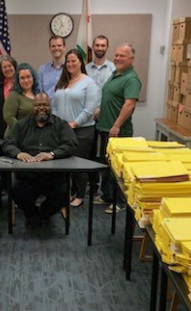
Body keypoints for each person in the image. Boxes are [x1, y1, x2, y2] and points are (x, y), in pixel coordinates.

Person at [3, 93, 78, 227]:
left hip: (54, 176)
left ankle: (43, 214)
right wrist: (18, 154)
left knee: (63, 192)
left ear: (50, 106)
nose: (41, 108)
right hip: (27, 176)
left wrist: (52, 154)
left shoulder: (61, 124)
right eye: (38, 105)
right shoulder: (21, 125)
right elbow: (8, 143)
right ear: (33, 107)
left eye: (45, 105)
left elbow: (71, 143)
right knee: (16, 189)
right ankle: (32, 214)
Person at [96, 44, 142, 213]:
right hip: (105, 128)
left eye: (122, 55)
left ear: (131, 59)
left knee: (118, 169)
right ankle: (107, 197)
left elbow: (129, 104)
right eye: (116, 55)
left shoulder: (131, 79)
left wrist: (116, 125)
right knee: (108, 166)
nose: (118, 58)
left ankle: (120, 201)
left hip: (118, 132)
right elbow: (112, 99)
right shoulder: (116, 74)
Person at [52, 49, 99, 207]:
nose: (71, 64)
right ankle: (70, 192)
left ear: (80, 62)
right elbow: (55, 105)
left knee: (78, 164)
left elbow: (89, 109)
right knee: (65, 164)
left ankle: (79, 195)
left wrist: (74, 124)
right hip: (62, 130)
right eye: (68, 61)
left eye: (74, 61)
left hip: (82, 131)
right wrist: (57, 123)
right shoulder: (63, 81)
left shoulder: (88, 83)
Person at [87, 35, 117, 205]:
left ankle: (106, 193)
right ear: (93, 47)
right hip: (89, 119)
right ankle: (92, 188)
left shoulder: (114, 69)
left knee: (106, 156)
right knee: (90, 155)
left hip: (107, 119)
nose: (99, 48)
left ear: (107, 47)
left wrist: (101, 110)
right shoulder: (85, 68)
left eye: (103, 45)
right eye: (97, 45)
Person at [3, 63, 40, 136]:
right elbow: (9, 117)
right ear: (18, 80)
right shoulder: (14, 95)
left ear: (33, 77)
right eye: (22, 78)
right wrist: (24, 130)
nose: (26, 80)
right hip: (17, 137)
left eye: (28, 77)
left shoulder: (38, 95)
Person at [37, 36, 66, 100]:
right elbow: (40, 93)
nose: (56, 48)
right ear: (50, 48)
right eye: (53, 46)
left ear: (64, 47)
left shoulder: (69, 68)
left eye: (59, 45)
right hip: (48, 108)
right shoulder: (42, 70)